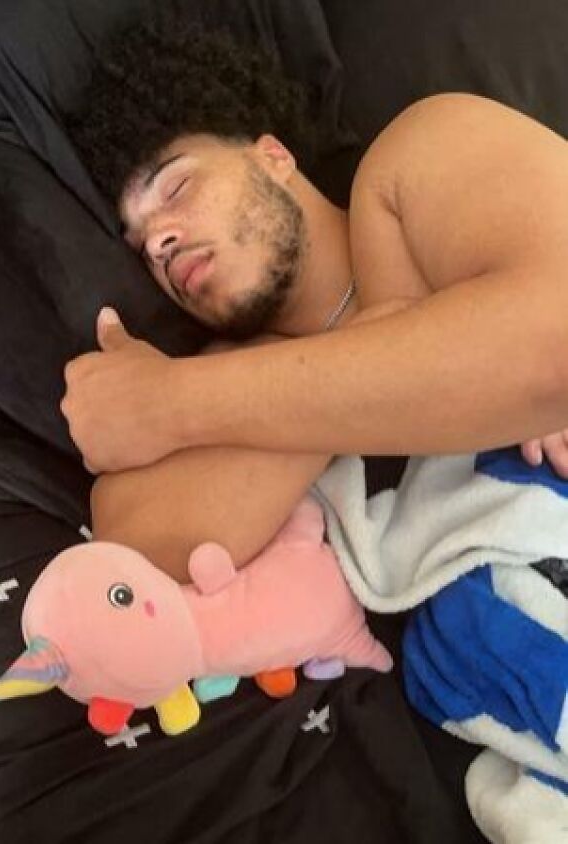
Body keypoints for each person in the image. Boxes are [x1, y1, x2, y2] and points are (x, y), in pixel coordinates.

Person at [61, 21, 568, 581]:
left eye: (177, 188)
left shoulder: (413, 163)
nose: (159, 242)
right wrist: (458, 363)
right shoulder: (232, 368)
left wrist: (167, 404)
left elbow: (554, 339)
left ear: (273, 157)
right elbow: (130, 557)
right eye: (142, 247)